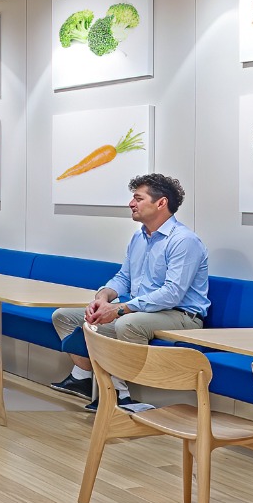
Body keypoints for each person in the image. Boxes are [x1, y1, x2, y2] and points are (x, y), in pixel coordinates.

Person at [50, 173, 209, 411]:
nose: (131, 203)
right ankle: (83, 378)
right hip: (144, 311)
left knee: (127, 323)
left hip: (181, 316)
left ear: (161, 203)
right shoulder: (139, 237)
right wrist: (103, 298)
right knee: (64, 316)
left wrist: (119, 309)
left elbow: (172, 294)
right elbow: (124, 278)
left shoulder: (184, 241)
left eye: (138, 198)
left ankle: (119, 395)